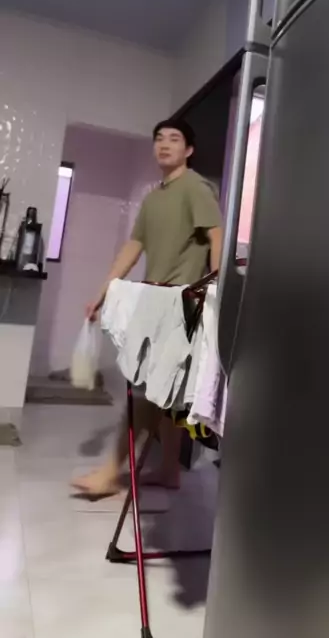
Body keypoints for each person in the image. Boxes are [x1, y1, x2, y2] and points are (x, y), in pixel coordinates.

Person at [71, 118, 223, 498]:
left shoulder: (196, 188)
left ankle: (109, 472)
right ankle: (170, 470)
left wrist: (216, 292)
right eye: (159, 139)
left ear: (189, 150)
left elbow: (217, 236)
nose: (164, 144)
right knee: (164, 393)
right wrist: (102, 292)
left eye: (174, 139)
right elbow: (132, 248)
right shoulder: (154, 198)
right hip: (154, 301)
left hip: (181, 304)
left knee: (144, 390)